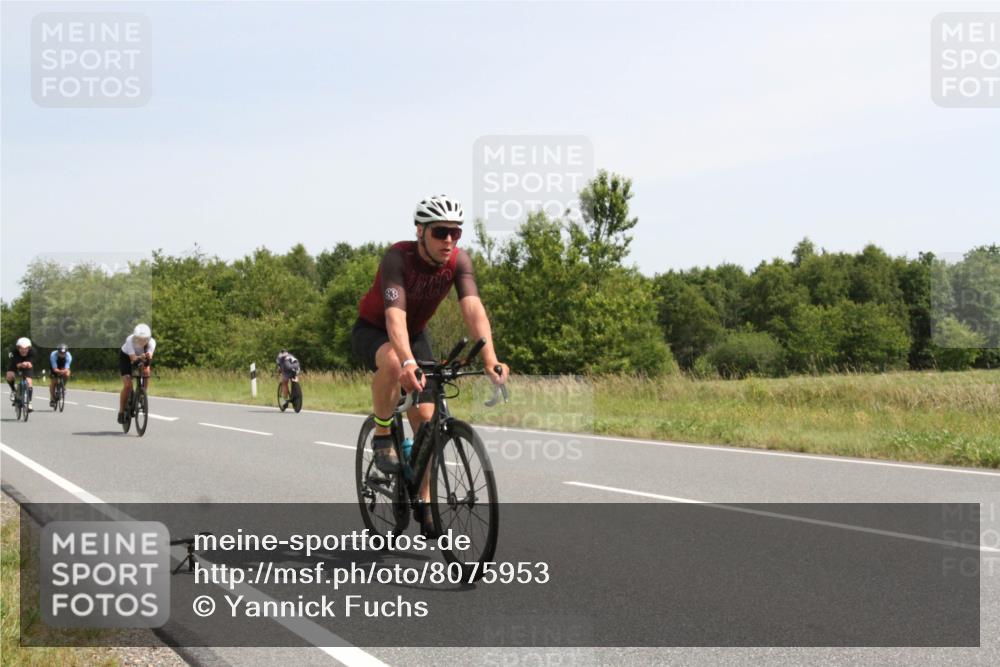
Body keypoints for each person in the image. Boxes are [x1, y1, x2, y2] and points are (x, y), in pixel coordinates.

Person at [351, 194, 509, 533]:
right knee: (394, 363)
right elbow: (395, 317)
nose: (449, 240)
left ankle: (422, 501)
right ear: (420, 231)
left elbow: (472, 308)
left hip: (416, 332)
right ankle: (382, 434)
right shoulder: (398, 257)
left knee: (427, 421)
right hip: (375, 330)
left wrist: (490, 358)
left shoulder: (458, 262)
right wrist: (407, 361)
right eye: (440, 232)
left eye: (456, 232)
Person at [118, 324, 155, 424]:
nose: (142, 341)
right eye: (139, 339)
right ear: (135, 337)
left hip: (141, 357)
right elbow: (133, 359)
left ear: (148, 338)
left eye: (145, 339)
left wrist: (148, 356)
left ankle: (143, 395)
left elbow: (148, 361)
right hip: (126, 357)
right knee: (127, 385)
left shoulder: (152, 342)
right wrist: (141, 357)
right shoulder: (130, 340)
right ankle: (121, 411)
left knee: (146, 371)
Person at [6, 337, 36, 412]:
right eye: (21, 348)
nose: (23, 350)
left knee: (29, 382)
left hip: (27, 365)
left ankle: (29, 403)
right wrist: (20, 364)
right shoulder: (13, 352)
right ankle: (13, 390)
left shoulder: (33, 351)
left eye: (26, 348)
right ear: (18, 348)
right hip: (16, 364)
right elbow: (15, 363)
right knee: (9, 376)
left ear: (29, 348)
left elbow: (31, 362)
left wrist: (28, 363)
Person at [49, 343, 73, 408]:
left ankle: (63, 386)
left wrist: (64, 371)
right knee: (53, 382)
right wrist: (59, 371)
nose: (62, 355)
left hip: (63, 366)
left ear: (66, 352)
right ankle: (52, 399)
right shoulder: (53, 355)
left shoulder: (68, 356)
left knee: (67, 374)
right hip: (55, 366)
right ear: (58, 351)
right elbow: (54, 368)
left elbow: (67, 367)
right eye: (60, 353)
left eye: (64, 353)